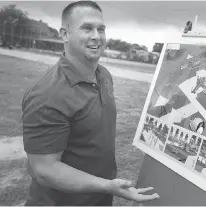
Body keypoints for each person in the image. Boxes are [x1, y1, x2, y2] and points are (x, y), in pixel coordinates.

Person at [21, 1, 159, 205]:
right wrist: (107, 185)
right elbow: (45, 170)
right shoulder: (46, 94)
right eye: (87, 28)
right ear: (64, 34)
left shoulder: (104, 75)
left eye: (101, 29)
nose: (97, 36)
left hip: (99, 200)